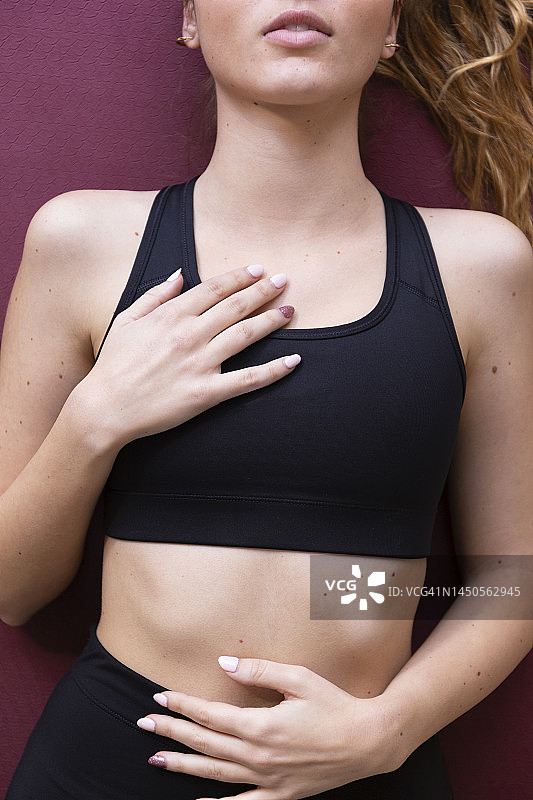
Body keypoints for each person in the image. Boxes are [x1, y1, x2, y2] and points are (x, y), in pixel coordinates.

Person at [1, 1, 532, 798]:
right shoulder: (80, 242)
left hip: (364, 772)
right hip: (110, 764)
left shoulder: (480, 265)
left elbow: (505, 581)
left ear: (390, 28)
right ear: (190, 20)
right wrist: (94, 421)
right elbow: (14, 593)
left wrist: (385, 729)